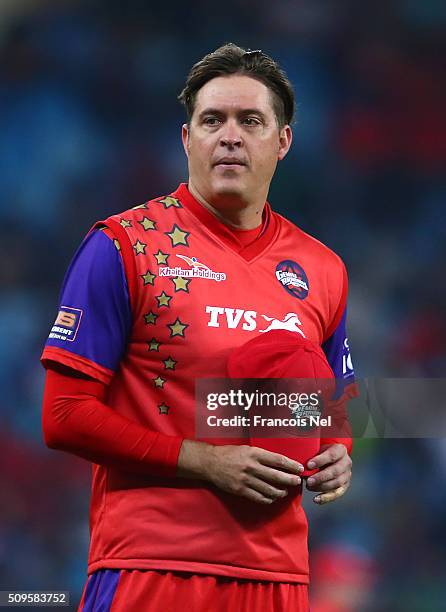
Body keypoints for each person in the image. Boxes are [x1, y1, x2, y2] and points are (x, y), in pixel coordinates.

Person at [41, 43, 356, 612]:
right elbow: (63, 417)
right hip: (153, 567)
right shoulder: (124, 246)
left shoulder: (323, 269)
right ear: (187, 139)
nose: (229, 136)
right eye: (212, 120)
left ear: (283, 142)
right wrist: (204, 460)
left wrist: (336, 450)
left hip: (278, 578)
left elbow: (330, 404)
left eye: (251, 121)